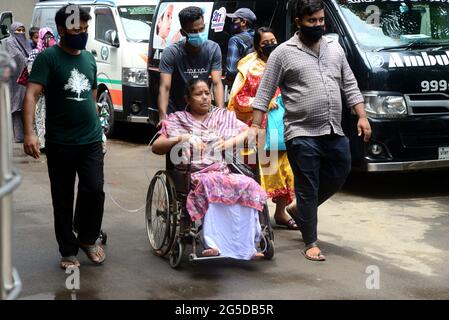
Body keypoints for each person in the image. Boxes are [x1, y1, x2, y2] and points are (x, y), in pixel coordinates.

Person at [251, 0, 372, 261]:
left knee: (341, 169)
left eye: (320, 20)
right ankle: (310, 241)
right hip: (300, 131)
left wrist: (362, 115)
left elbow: (349, 84)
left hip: (332, 128)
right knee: (307, 185)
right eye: (311, 21)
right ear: (299, 22)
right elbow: (265, 91)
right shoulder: (283, 53)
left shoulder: (334, 48)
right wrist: (254, 126)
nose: (318, 25)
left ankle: (299, 209)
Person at [22, 5, 106, 269]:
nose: (81, 33)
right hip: (61, 143)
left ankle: (88, 238)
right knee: (62, 196)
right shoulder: (48, 58)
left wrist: (99, 130)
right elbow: (31, 95)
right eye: (75, 29)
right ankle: (68, 251)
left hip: (91, 139)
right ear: (61, 29)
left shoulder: (89, 59)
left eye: (84, 29)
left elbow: (92, 97)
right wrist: (29, 133)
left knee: (94, 189)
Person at [152, 79, 266, 260]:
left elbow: (251, 134)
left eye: (207, 93)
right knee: (210, 184)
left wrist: (229, 142)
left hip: (220, 171)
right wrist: (183, 137)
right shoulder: (178, 119)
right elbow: (157, 147)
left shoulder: (222, 116)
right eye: (198, 94)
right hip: (194, 174)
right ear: (187, 99)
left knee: (248, 184)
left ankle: (248, 245)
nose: (205, 97)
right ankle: (213, 244)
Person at [228, 27, 298, 230]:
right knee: (261, 175)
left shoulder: (285, 63)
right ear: (257, 46)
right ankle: (256, 217)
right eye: (266, 43)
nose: (271, 45)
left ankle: (280, 213)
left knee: (288, 172)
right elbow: (238, 99)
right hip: (260, 133)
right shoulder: (250, 69)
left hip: (284, 127)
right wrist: (261, 102)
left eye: (274, 40)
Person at [158, 6, 225, 124]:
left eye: (201, 29)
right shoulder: (171, 53)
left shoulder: (213, 49)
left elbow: (216, 83)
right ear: (184, 32)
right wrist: (163, 117)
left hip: (200, 112)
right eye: (194, 31)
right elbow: (165, 87)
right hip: (176, 113)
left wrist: (221, 113)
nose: (199, 34)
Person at [26, 27, 57, 150]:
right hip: (40, 92)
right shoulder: (35, 53)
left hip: (53, 93)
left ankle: (51, 141)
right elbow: (30, 71)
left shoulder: (56, 53)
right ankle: (43, 143)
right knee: (39, 117)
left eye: (51, 37)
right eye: (46, 37)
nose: (49, 39)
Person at [5, 22, 31, 143]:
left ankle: (24, 134)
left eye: (22, 30)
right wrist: (29, 63)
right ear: (13, 31)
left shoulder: (26, 42)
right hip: (16, 79)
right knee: (16, 107)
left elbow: (30, 55)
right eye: (18, 30)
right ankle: (18, 136)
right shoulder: (10, 42)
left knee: (25, 105)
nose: (20, 33)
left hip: (26, 78)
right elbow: (17, 57)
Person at [225, 8, 256, 84]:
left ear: (243, 22)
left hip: (242, 86)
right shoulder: (258, 37)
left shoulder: (235, 40)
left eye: (234, 20)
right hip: (257, 82)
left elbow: (231, 71)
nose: (232, 23)